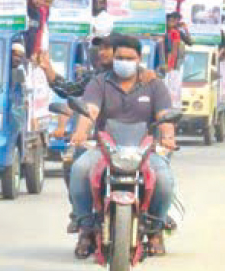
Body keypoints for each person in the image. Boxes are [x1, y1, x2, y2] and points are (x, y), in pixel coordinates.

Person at [68, 34, 178, 258]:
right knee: (79, 169)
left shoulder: (154, 84)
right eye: (120, 57)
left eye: (130, 57)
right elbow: (90, 110)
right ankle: (86, 228)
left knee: (165, 179)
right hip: (105, 150)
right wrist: (80, 133)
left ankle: (156, 230)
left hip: (144, 151)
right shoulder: (99, 82)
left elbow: (165, 116)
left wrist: (167, 136)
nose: (124, 61)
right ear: (113, 58)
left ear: (139, 58)